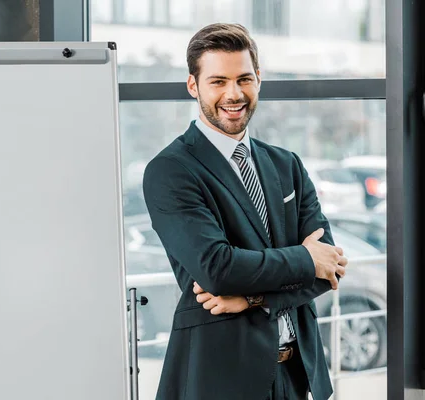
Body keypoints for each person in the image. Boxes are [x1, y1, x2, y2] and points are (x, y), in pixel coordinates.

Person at [142, 23, 348, 400]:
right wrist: (304, 257)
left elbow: (329, 267)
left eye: (244, 79)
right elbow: (217, 268)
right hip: (222, 378)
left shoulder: (286, 165)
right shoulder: (171, 170)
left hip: (298, 375)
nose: (233, 94)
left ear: (259, 80)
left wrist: (254, 299)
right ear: (194, 86)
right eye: (218, 81)